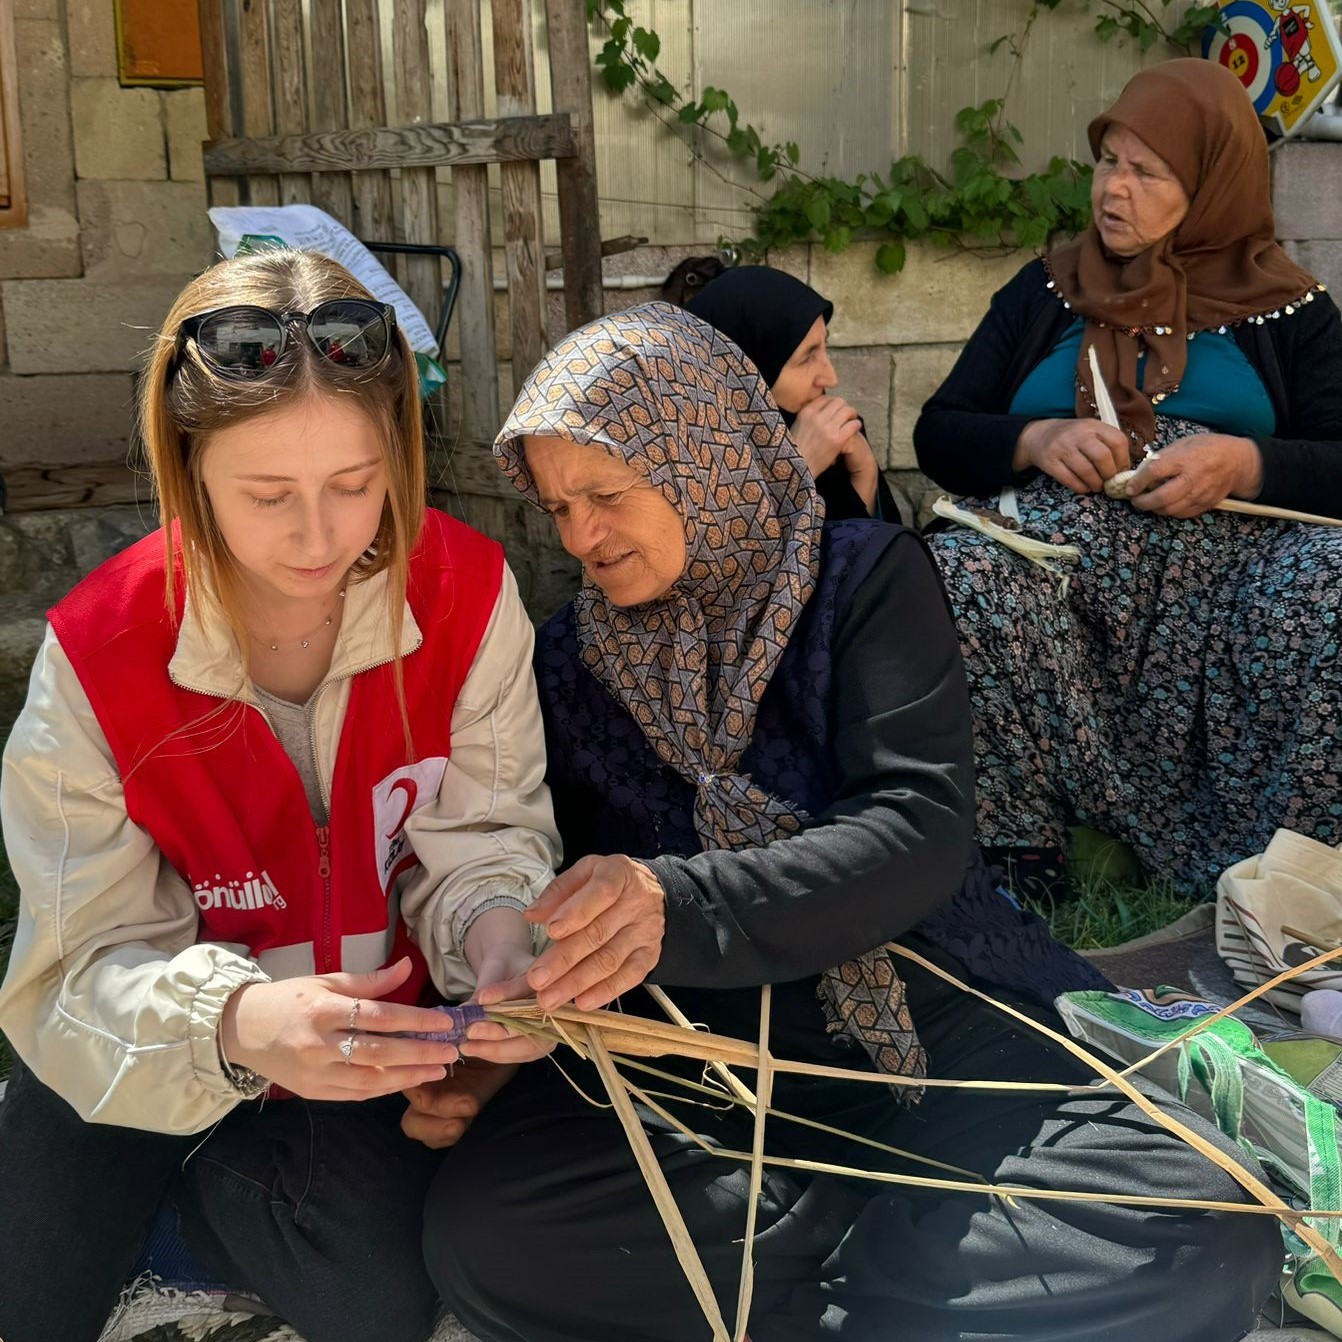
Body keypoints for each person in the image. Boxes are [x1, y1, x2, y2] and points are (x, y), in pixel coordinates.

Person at [408, 302, 1281, 1342]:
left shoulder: (859, 580)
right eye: (556, 507)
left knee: (1196, 1218)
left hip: (939, 1024)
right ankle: (898, 1278)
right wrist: (508, 1026)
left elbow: (916, 833)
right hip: (714, 1081)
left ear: (705, 457)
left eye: (604, 493)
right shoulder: (569, 661)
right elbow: (548, 897)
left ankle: (838, 1277)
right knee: (485, 1232)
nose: (580, 535)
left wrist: (672, 902)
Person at [0, 250, 559, 1342]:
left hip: (372, 1062)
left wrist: (501, 939)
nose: (319, 539)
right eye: (266, 496)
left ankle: (192, 1230)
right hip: (155, 1049)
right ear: (187, 471)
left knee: (374, 1300)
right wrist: (238, 1021)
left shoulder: (468, 594)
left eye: (357, 484)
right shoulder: (98, 652)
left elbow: (487, 835)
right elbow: (76, 970)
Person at [914, 58, 1342, 898]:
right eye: (1109, 162)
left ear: (1212, 182)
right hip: (1068, 579)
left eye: (1149, 172)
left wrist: (1247, 460)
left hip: (1236, 588)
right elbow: (941, 430)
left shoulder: (1292, 310)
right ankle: (1018, 851)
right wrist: (1033, 440)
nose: (1115, 190)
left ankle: (1285, 866)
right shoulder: (1044, 290)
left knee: (1331, 592)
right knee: (959, 574)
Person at [688, 265, 903, 522]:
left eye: (825, 347)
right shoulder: (686, 464)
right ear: (746, 370)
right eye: (806, 357)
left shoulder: (833, 437)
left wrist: (865, 472)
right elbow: (725, 555)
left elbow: (878, 554)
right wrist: (793, 471)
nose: (830, 378)